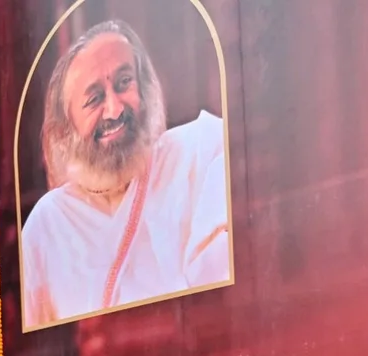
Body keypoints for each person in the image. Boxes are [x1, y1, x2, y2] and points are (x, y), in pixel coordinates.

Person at [21, 19, 230, 328]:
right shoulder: (46, 227)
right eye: (94, 99)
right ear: (67, 128)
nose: (115, 110)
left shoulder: (201, 150)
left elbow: (219, 303)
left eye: (124, 83)